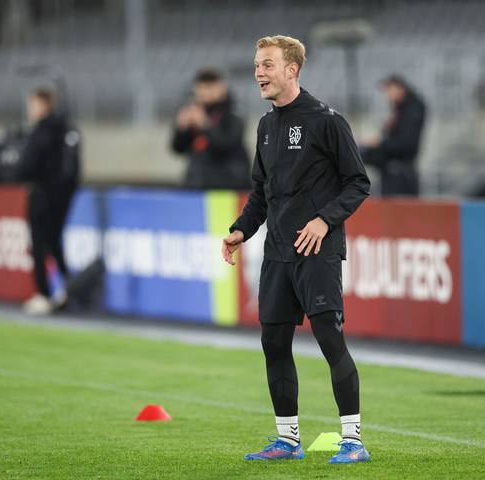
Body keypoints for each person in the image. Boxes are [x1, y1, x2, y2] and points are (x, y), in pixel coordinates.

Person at [221, 35, 371, 464]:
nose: (258, 73)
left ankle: (353, 441)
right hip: (277, 252)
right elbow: (260, 192)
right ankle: (287, 441)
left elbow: (358, 182)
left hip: (317, 250)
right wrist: (241, 230)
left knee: (329, 339)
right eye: (256, 65)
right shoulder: (265, 126)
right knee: (273, 342)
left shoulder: (327, 121)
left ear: (292, 69)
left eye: (267, 65)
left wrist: (325, 219)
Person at [19, 88, 77, 315]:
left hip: (42, 195)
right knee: (53, 243)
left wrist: (22, 173)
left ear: (43, 105)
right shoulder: (65, 129)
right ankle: (68, 289)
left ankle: (43, 294)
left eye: (32, 104)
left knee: (39, 245)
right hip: (60, 196)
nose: (30, 109)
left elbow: (29, 165)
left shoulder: (43, 132)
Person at [171, 68, 251, 189]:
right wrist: (181, 129)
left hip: (229, 187)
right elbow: (178, 148)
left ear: (222, 87)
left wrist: (205, 125)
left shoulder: (234, 112)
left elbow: (227, 144)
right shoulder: (193, 110)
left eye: (209, 87)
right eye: (200, 88)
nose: (204, 92)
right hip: (197, 186)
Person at [362, 75, 426, 196]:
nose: (387, 95)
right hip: (393, 172)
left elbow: (406, 143)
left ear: (400, 88)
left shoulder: (412, 109)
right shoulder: (399, 109)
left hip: (401, 175)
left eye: (389, 89)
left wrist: (379, 143)